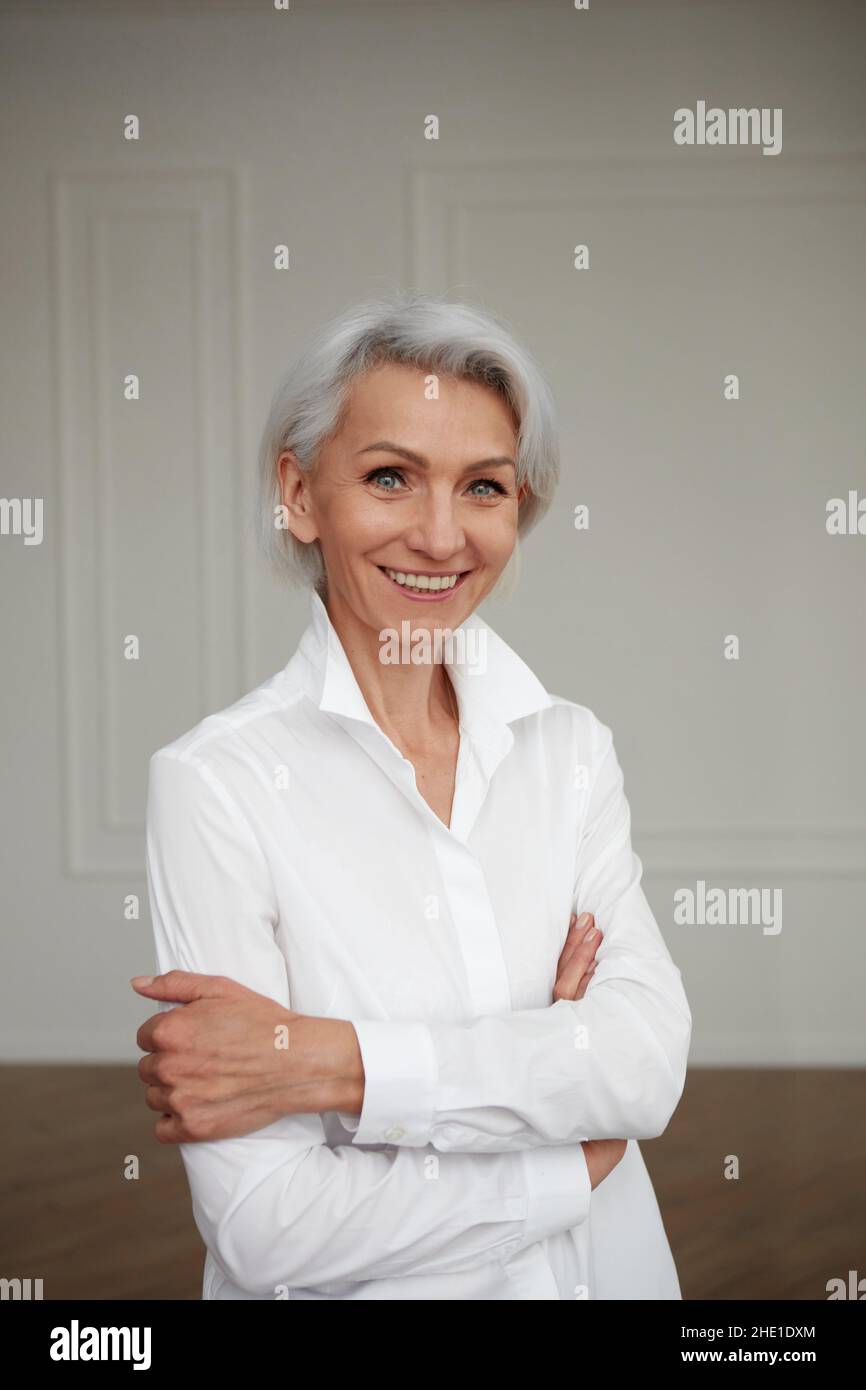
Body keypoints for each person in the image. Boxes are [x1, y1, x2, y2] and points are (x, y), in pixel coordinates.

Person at [132, 292, 692, 1300]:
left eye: (482, 487)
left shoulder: (568, 749)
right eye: (390, 477)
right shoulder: (215, 784)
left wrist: (329, 1063)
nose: (440, 537)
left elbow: (642, 1068)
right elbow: (268, 1229)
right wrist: (562, 1142)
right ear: (299, 496)